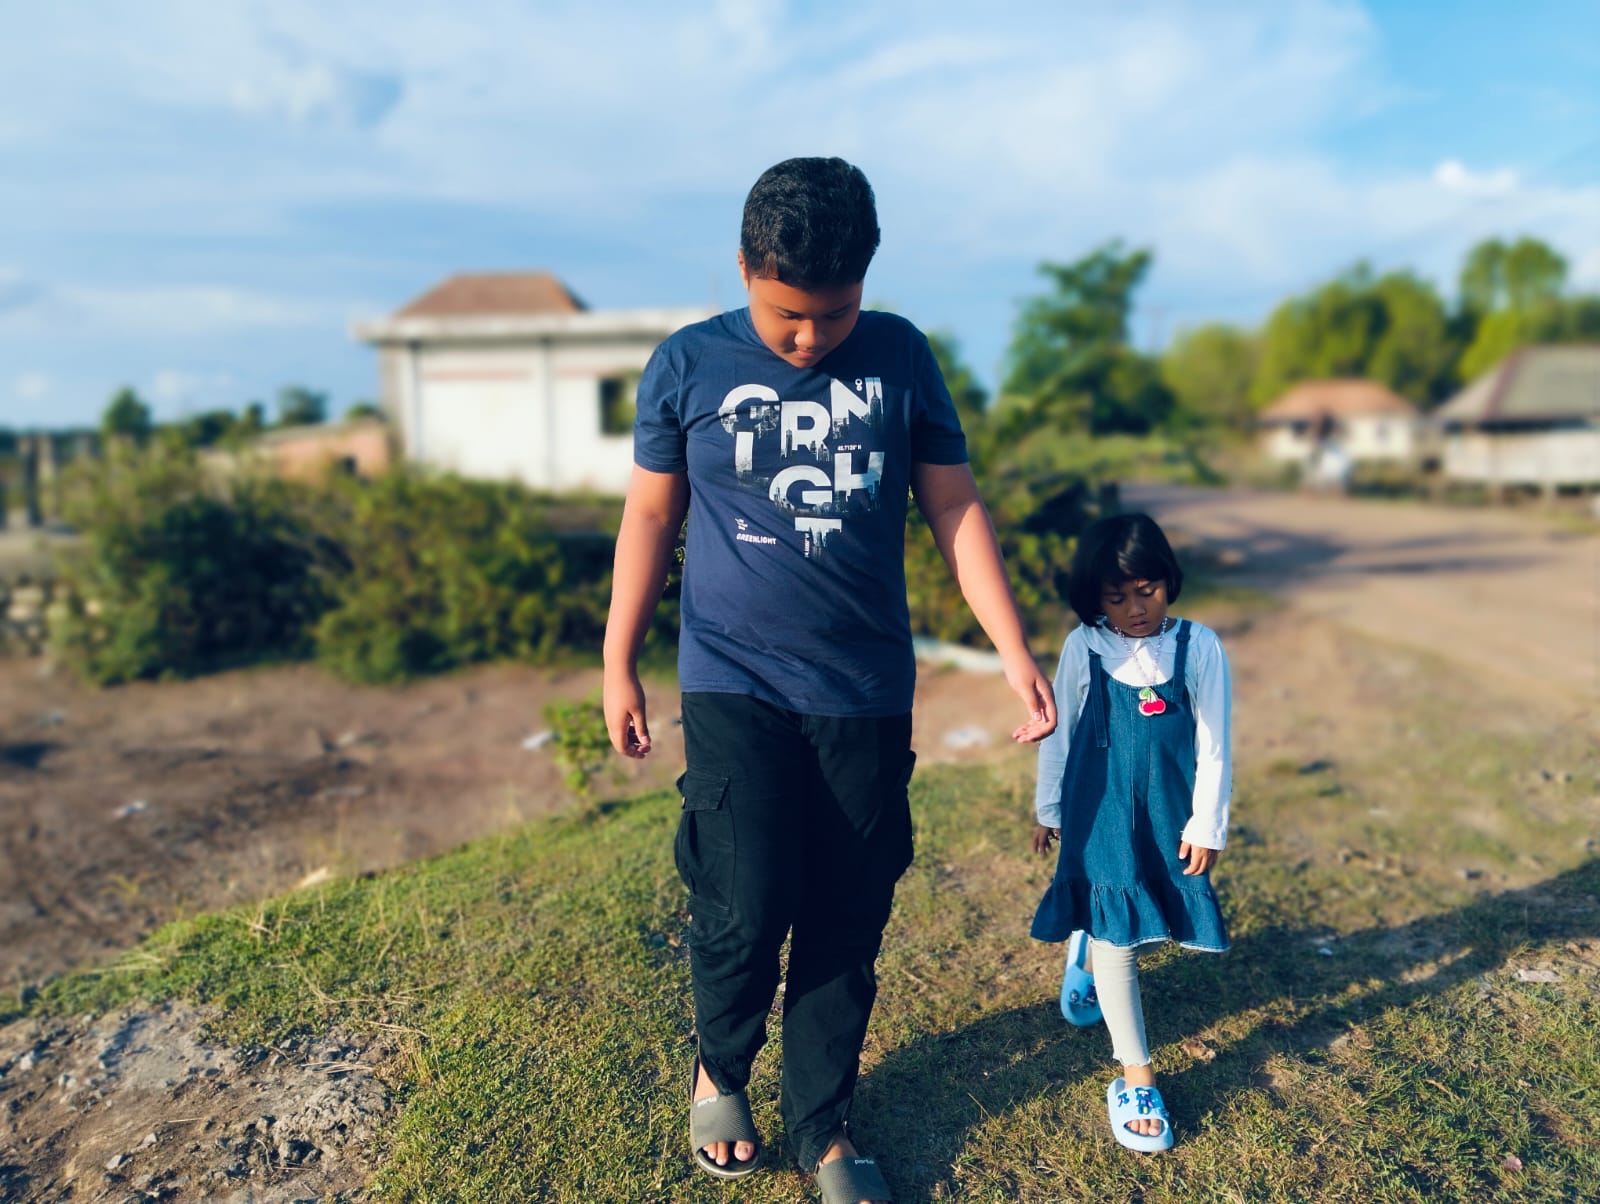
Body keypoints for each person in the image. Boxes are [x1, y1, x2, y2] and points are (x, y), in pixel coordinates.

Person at [602, 157, 1057, 1204]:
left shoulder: (901, 355)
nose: (810, 338)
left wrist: (1010, 647)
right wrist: (618, 659)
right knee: (745, 895)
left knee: (848, 914)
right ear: (743, 269)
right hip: (732, 675)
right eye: (787, 315)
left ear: (867, 282)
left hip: (863, 686)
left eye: (835, 312)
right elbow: (651, 514)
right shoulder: (687, 364)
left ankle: (824, 1126)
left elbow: (952, 503)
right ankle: (721, 1068)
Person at [1029, 512, 1232, 1153]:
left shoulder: (1198, 645)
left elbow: (1215, 742)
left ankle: (1086, 952)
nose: (1135, 609)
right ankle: (1137, 1077)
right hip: (1099, 810)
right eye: (1116, 598)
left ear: (1168, 580)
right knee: (1119, 931)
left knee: (1135, 919)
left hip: (1170, 811)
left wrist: (1208, 822)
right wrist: (1049, 808)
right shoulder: (1084, 646)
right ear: (1095, 598)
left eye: (1147, 591)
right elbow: (1060, 730)